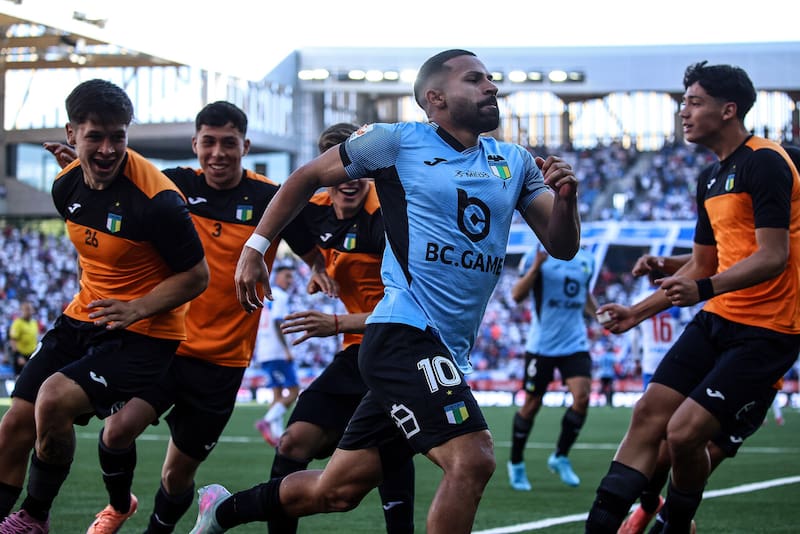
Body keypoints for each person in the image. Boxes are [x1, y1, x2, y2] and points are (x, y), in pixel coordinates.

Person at [191, 48, 580, 534]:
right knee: (473, 458)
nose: (491, 87)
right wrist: (256, 246)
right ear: (435, 98)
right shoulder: (396, 142)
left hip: (447, 348)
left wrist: (567, 201)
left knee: (337, 490)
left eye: (489, 79)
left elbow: (562, 246)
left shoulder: (515, 162)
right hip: (403, 333)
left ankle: (221, 511)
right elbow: (308, 176)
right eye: (475, 79)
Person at [39, 101, 323, 533]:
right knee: (116, 432)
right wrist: (80, 169)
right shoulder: (170, 187)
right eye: (209, 142)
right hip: (166, 344)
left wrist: (318, 268)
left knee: (176, 476)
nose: (218, 153)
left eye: (229, 143)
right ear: (195, 144)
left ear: (245, 146)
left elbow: (312, 246)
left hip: (222, 362)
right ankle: (118, 506)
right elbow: (115, 186)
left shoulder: (270, 197)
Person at [586, 61, 800, 534]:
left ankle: (675, 524)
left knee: (683, 434)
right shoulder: (709, 177)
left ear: (728, 110)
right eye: (683, 102)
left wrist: (701, 289)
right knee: (647, 415)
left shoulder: (765, 161)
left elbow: (772, 257)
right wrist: (636, 313)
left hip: (769, 330)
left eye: (694, 102)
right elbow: (705, 262)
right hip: (719, 316)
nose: (683, 112)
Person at [0, 78, 210, 532]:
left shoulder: (159, 202)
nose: (109, 149)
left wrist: (137, 307)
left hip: (144, 333)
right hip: (84, 316)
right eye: (95, 136)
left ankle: (33, 518)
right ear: (71, 133)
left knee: (53, 400)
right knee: (14, 423)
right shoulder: (65, 186)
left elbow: (198, 276)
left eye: (118, 136)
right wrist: (81, 168)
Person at [263, 122, 416, 534]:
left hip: (399, 348)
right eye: (343, 168)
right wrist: (317, 265)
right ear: (326, 168)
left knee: (389, 452)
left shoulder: (387, 218)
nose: (351, 178)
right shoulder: (311, 207)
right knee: (293, 442)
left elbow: (411, 307)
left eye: (361, 168)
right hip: (356, 351)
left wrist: (334, 322)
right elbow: (286, 219)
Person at [506, 244, 598, 491]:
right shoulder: (534, 256)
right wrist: (536, 266)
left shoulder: (587, 260)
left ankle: (560, 456)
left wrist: (601, 315)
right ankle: (516, 463)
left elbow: (584, 295)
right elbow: (516, 295)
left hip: (575, 342)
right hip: (541, 346)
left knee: (582, 398)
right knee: (532, 404)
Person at [254, 265, 300, 446]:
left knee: (277, 393)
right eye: (287, 276)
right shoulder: (280, 295)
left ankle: (277, 434)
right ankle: (266, 421)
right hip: (277, 351)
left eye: (291, 277)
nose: (290, 280)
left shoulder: (267, 297)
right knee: (294, 390)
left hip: (265, 351)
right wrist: (286, 349)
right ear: (277, 277)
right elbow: (277, 322)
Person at [7, 301, 41, 376]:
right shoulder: (17, 323)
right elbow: (13, 341)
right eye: (27, 309)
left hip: (32, 355)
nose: (29, 312)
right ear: (22, 311)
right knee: (20, 378)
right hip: (21, 356)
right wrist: (18, 356)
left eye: (30, 309)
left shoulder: (34, 322)